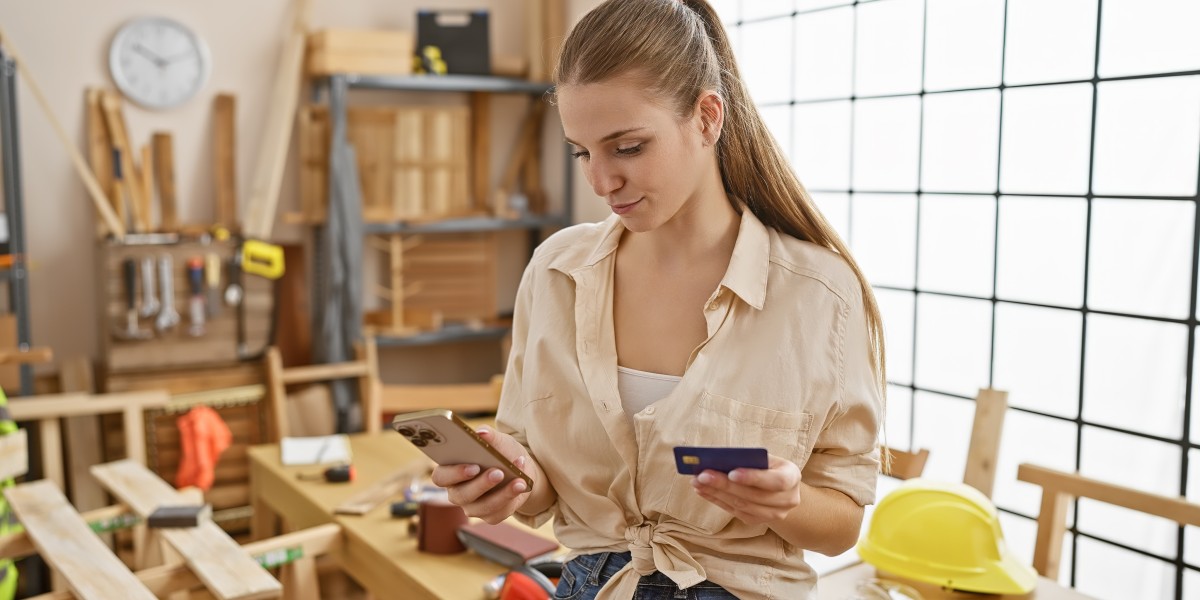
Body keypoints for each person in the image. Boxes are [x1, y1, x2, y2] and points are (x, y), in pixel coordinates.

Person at [431, 0, 887, 598]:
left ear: (706, 117)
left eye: (627, 148)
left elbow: (842, 525)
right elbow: (540, 489)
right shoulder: (555, 271)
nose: (600, 181)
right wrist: (504, 484)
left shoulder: (820, 294)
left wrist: (788, 501)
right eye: (581, 151)